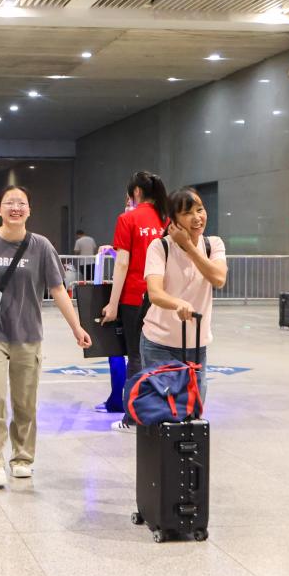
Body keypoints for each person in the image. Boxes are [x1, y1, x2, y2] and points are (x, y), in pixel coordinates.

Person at [0, 186, 91, 489]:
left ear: (29, 210)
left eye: (21, 203)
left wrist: (76, 327)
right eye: (9, 203)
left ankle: (22, 458)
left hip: (28, 335)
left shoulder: (41, 246)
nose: (15, 208)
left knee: (25, 403)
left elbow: (58, 289)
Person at [137, 188, 228, 406]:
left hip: (197, 345)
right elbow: (155, 293)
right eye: (188, 213)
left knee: (194, 411)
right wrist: (177, 303)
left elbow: (218, 278)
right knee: (161, 413)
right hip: (159, 344)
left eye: (200, 210)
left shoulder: (213, 244)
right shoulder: (160, 246)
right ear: (174, 220)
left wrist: (188, 246)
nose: (197, 218)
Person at [100, 171, 169, 420]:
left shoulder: (128, 218)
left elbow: (122, 264)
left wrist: (112, 304)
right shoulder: (167, 220)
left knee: (136, 355)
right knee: (160, 353)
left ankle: (134, 414)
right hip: (163, 296)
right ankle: (161, 407)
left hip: (134, 298)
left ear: (136, 192)